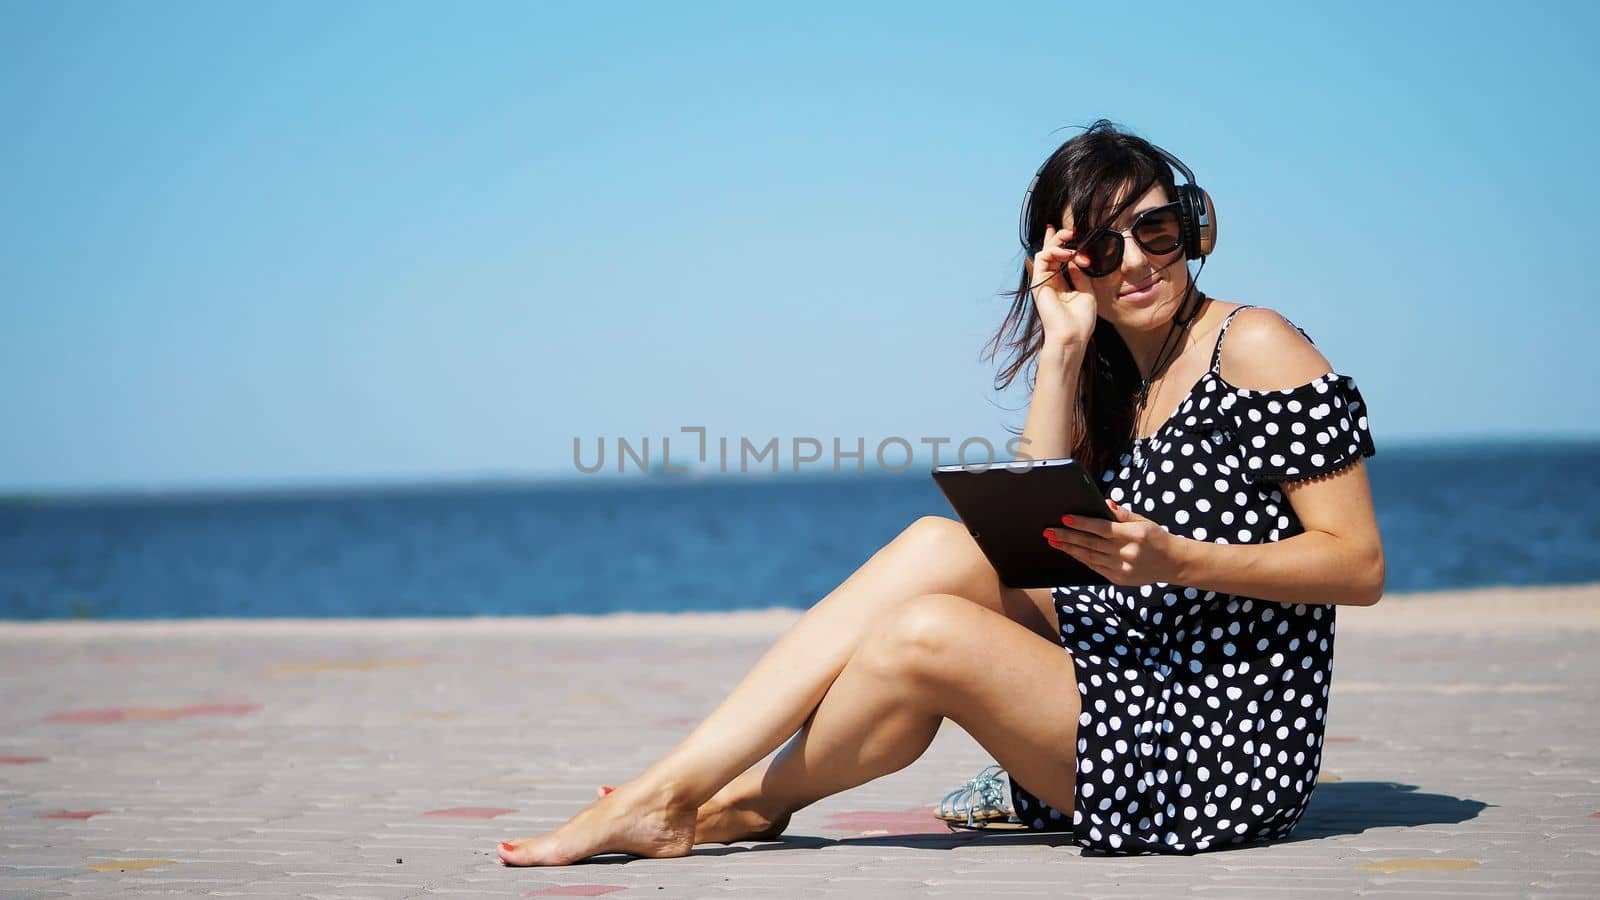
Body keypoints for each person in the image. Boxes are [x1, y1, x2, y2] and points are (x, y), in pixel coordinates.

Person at [496, 119, 1384, 864]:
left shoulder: (1255, 345)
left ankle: (693, 802)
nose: (1136, 265)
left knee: (927, 636)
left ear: (1195, 226)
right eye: (1102, 249)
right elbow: (1039, 535)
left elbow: (1358, 565)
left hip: (1213, 755)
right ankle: (700, 799)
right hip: (1124, 679)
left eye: (1156, 231)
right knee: (934, 546)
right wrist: (1066, 345)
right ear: (1071, 266)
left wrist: (1178, 560)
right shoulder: (1117, 370)